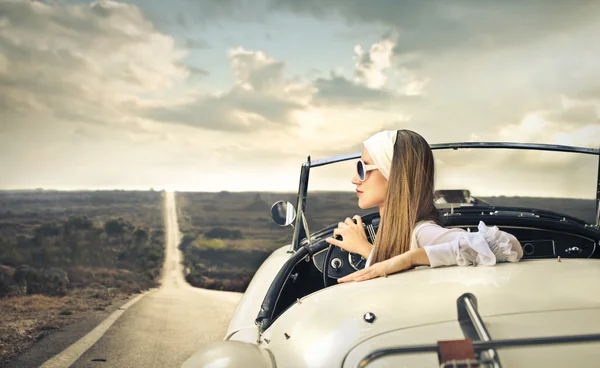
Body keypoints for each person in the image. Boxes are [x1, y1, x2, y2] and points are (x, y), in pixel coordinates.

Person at [325, 129, 523, 283]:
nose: (354, 179)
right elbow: (398, 278)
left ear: (394, 174)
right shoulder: (396, 229)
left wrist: (412, 257)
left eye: (362, 168)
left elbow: (509, 244)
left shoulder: (423, 232)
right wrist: (366, 249)